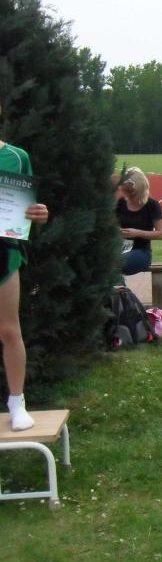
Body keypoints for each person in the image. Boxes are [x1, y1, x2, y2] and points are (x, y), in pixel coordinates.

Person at [0, 138, 49, 431]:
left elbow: (25, 211)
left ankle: (17, 403)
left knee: (9, 329)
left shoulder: (16, 157)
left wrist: (37, 214)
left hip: (4, 252)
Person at [116, 167, 162, 276]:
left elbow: (160, 234)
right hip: (120, 248)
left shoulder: (152, 205)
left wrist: (137, 233)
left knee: (118, 262)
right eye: (126, 192)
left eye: (132, 192)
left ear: (140, 188)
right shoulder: (121, 202)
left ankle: (119, 286)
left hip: (141, 251)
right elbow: (113, 224)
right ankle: (118, 286)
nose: (129, 195)